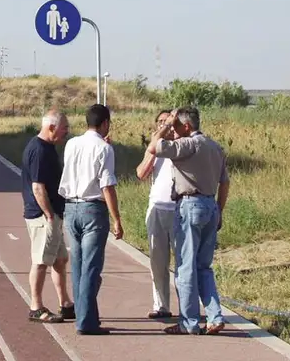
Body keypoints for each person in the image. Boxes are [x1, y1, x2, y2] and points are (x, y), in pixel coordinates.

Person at [147, 107, 230, 335]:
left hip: (189, 205)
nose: (172, 130)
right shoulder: (215, 147)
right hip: (210, 206)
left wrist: (164, 125)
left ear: (185, 126)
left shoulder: (188, 144)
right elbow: (225, 182)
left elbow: (154, 146)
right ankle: (214, 316)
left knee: (185, 267)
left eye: (175, 126)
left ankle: (189, 321)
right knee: (204, 267)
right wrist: (219, 210)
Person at [59, 103, 122, 335]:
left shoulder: (71, 144)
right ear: (105, 123)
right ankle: (86, 322)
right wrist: (116, 218)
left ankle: (86, 316)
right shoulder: (105, 149)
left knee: (77, 266)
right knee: (92, 268)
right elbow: (107, 186)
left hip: (71, 207)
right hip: (93, 209)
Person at [21, 109, 74, 323]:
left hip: (52, 215)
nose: (67, 132)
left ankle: (65, 303)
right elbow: (37, 187)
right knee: (41, 261)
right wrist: (49, 215)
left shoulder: (48, 147)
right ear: (51, 127)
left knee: (60, 259)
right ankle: (36, 306)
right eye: (64, 129)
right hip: (43, 216)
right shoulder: (39, 150)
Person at [135, 108, 176, 319]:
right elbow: (141, 173)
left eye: (167, 121)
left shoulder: (181, 145)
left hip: (178, 210)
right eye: (160, 121)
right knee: (157, 261)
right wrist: (154, 147)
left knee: (183, 262)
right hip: (157, 208)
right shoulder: (154, 148)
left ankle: (188, 306)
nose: (164, 124)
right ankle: (161, 306)